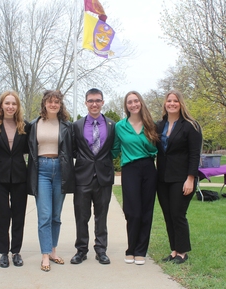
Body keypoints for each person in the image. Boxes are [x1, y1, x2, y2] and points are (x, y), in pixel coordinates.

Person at [27, 90, 75, 272]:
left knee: (56, 215)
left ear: (60, 104)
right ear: (44, 104)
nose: (53, 104)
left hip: (60, 170)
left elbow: (73, 150)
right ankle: (45, 254)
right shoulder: (34, 124)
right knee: (44, 214)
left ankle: (54, 251)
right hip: (42, 170)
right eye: (50, 101)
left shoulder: (66, 126)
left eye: (57, 102)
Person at [112, 91, 158, 265]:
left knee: (146, 210)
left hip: (148, 168)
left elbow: (159, 148)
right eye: (130, 102)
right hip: (130, 169)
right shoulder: (120, 126)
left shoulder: (151, 125)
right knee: (133, 212)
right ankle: (131, 249)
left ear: (141, 103)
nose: (133, 104)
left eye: (136, 101)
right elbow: (114, 149)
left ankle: (140, 251)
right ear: (126, 106)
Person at [156, 90, 202, 264]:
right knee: (168, 214)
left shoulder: (191, 125)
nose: (172, 103)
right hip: (162, 178)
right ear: (165, 104)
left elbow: (194, 155)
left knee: (178, 213)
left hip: (182, 178)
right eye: (169, 101)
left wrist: (190, 178)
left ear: (181, 103)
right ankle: (174, 250)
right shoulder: (160, 125)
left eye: (175, 101)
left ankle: (183, 251)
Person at [71, 88, 115, 265]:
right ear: (86, 103)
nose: (94, 104)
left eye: (98, 100)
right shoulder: (77, 125)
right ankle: (81, 250)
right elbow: (73, 148)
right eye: (91, 101)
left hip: (104, 176)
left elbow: (113, 148)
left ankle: (101, 250)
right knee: (81, 216)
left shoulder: (112, 125)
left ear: (103, 102)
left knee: (101, 215)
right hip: (83, 177)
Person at [0, 91, 30, 268]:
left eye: (14, 103)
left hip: (20, 176)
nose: (10, 106)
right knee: (2, 216)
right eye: (7, 103)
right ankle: (3, 253)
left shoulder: (25, 126)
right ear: (1, 105)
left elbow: (31, 150)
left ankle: (16, 252)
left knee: (18, 215)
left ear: (17, 106)